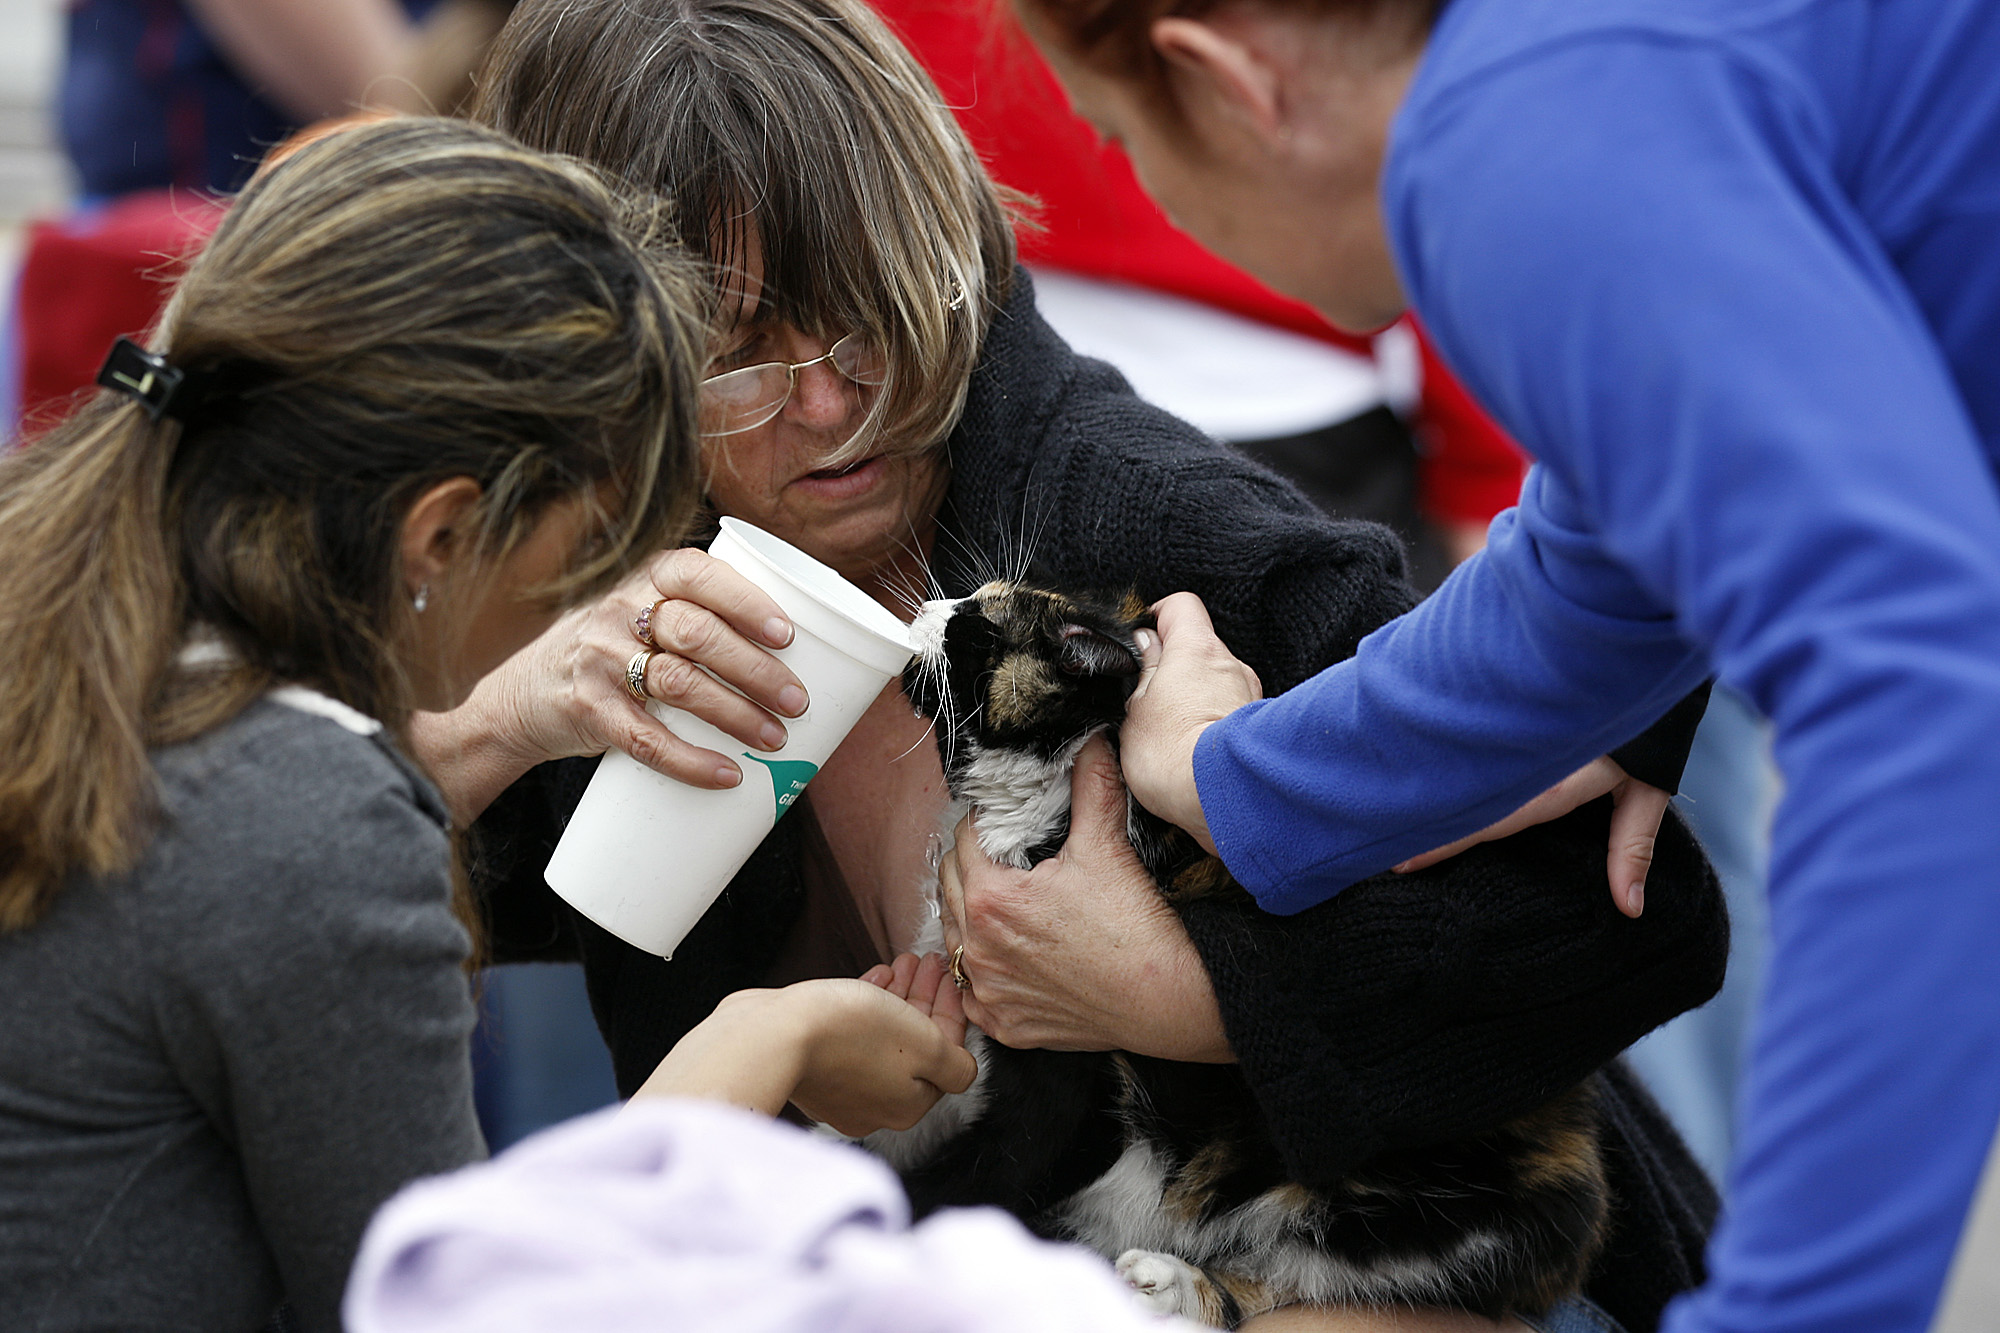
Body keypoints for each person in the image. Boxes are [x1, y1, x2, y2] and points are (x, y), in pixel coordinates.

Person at [428, 1, 1728, 1326]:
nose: (829, 401)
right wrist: (499, 727)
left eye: (866, 315)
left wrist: (1184, 994)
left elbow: (1634, 924)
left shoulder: (1137, 524)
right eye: (736, 357)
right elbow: (273, 879)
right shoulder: (596, 566)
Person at [1000, 1, 2000, 1330]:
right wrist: (1233, 774)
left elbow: (1913, 693)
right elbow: (1597, 584)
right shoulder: (1569, 61)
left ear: (1226, 77)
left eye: (1121, 139)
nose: (1143, 189)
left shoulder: (1509, 141)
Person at [0, 116, 972, 1333]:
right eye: (596, 544)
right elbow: (462, 1309)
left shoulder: (68, 627)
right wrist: (769, 1039)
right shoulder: (312, 826)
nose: (590, 601)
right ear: (444, 534)